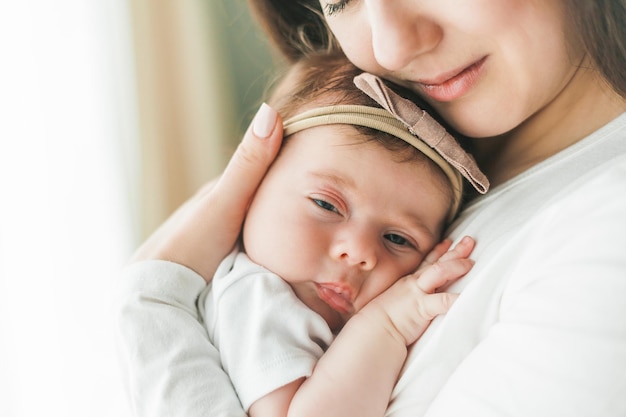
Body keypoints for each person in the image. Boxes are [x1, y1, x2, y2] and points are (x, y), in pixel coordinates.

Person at [115, 1, 626, 416]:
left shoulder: (604, 244)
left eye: (399, 238)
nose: (390, 45)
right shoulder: (346, 152)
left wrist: (154, 309)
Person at [198, 53, 487, 417]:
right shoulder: (257, 299)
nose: (360, 251)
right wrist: (387, 325)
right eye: (326, 205)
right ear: (253, 184)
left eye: (398, 239)